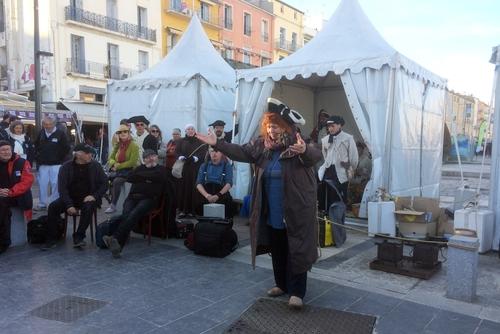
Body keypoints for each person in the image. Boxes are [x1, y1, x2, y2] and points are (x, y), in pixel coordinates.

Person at [196, 98, 322, 309]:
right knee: (278, 245)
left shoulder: (298, 142)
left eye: (276, 126)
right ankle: (281, 284)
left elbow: (316, 154)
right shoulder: (262, 147)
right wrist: (217, 143)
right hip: (271, 208)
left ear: (286, 126)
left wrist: (304, 151)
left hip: (295, 208)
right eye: (269, 126)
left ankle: (297, 291)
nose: (272, 131)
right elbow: (241, 152)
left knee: (296, 247)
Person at [41, 144, 107, 250]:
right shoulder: (65, 167)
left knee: (88, 206)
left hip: (88, 197)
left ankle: (79, 236)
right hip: (70, 197)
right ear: (78, 155)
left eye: (90, 153)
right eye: (87, 153)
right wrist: (69, 204)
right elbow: (62, 189)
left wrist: (95, 196)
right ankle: (51, 239)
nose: (91, 155)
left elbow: (104, 184)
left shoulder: (96, 165)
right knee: (53, 207)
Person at [103, 150, 166, 258]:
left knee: (134, 213)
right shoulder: (139, 168)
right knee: (126, 215)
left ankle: (114, 238)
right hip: (132, 197)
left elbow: (159, 177)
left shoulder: (161, 169)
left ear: (157, 157)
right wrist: (147, 178)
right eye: (147, 157)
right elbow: (130, 177)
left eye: (152, 156)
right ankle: (117, 246)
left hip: (149, 199)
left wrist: (141, 177)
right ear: (144, 159)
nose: (150, 159)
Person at [0, 140, 34, 254]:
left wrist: (11, 192)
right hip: (1, 194)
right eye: (2, 150)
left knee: (2, 206)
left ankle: (4, 242)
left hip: (18, 196)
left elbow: (27, 181)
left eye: (8, 149)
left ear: (11, 150)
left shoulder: (22, 162)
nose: (6, 152)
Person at [318, 115, 358, 207]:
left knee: (340, 196)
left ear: (339, 125)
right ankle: (327, 216)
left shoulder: (348, 138)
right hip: (328, 170)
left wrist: (349, 168)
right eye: (329, 126)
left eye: (333, 126)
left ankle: (339, 218)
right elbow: (325, 155)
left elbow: (354, 157)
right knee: (327, 195)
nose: (330, 128)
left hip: (341, 171)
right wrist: (328, 163)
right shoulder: (325, 140)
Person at [34, 116, 70, 210]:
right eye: (45, 124)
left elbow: (66, 148)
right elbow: (36, 146)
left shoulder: (61, 134)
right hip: (43, 164)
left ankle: (54, 203)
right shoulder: (41, 133)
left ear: (54, 124)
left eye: (49, 124)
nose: (48, 126)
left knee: (56, 184)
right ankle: (42, 203)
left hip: (56, 164)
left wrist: (59, 158)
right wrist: (38, 157)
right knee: (42, 184)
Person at [105, 124, 140, 214]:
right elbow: (110, 158)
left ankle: (113, 205)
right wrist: (114, 163)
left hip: (130, 171)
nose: (122, 133)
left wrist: (118, 166)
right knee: (105, 178)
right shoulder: (118, 145)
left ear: (129, 133)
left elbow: (132, 162)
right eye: (120, 132)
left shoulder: (134, 145)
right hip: (119, 170)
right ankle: (99, 200)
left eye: (125, 131)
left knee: (117, 181)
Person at [176, 124, 207, 216]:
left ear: (195, 130)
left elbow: (202, 153)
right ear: (185, 131)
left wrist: (195, 158)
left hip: (195, 169)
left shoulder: (200, 142)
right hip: (184, 168)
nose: (190, 130)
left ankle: (193, 210)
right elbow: (177, 151)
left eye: (192, 128)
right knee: (183, 188)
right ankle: (183, 210)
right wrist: (181, 157)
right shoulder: (181, 141)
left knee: (194, 188)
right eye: (188, 129)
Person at [195, 148, 233, 218]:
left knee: (227, 208)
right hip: (206, 194)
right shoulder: (204, 166)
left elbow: (229, 184)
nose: (214, 154)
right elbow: (198, 184)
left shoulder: (227, 166)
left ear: (221, 153)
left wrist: (218, 195)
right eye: (212, 151)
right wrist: (207, 195)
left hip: (221, 194)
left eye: (217, 151)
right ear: (209, 153)